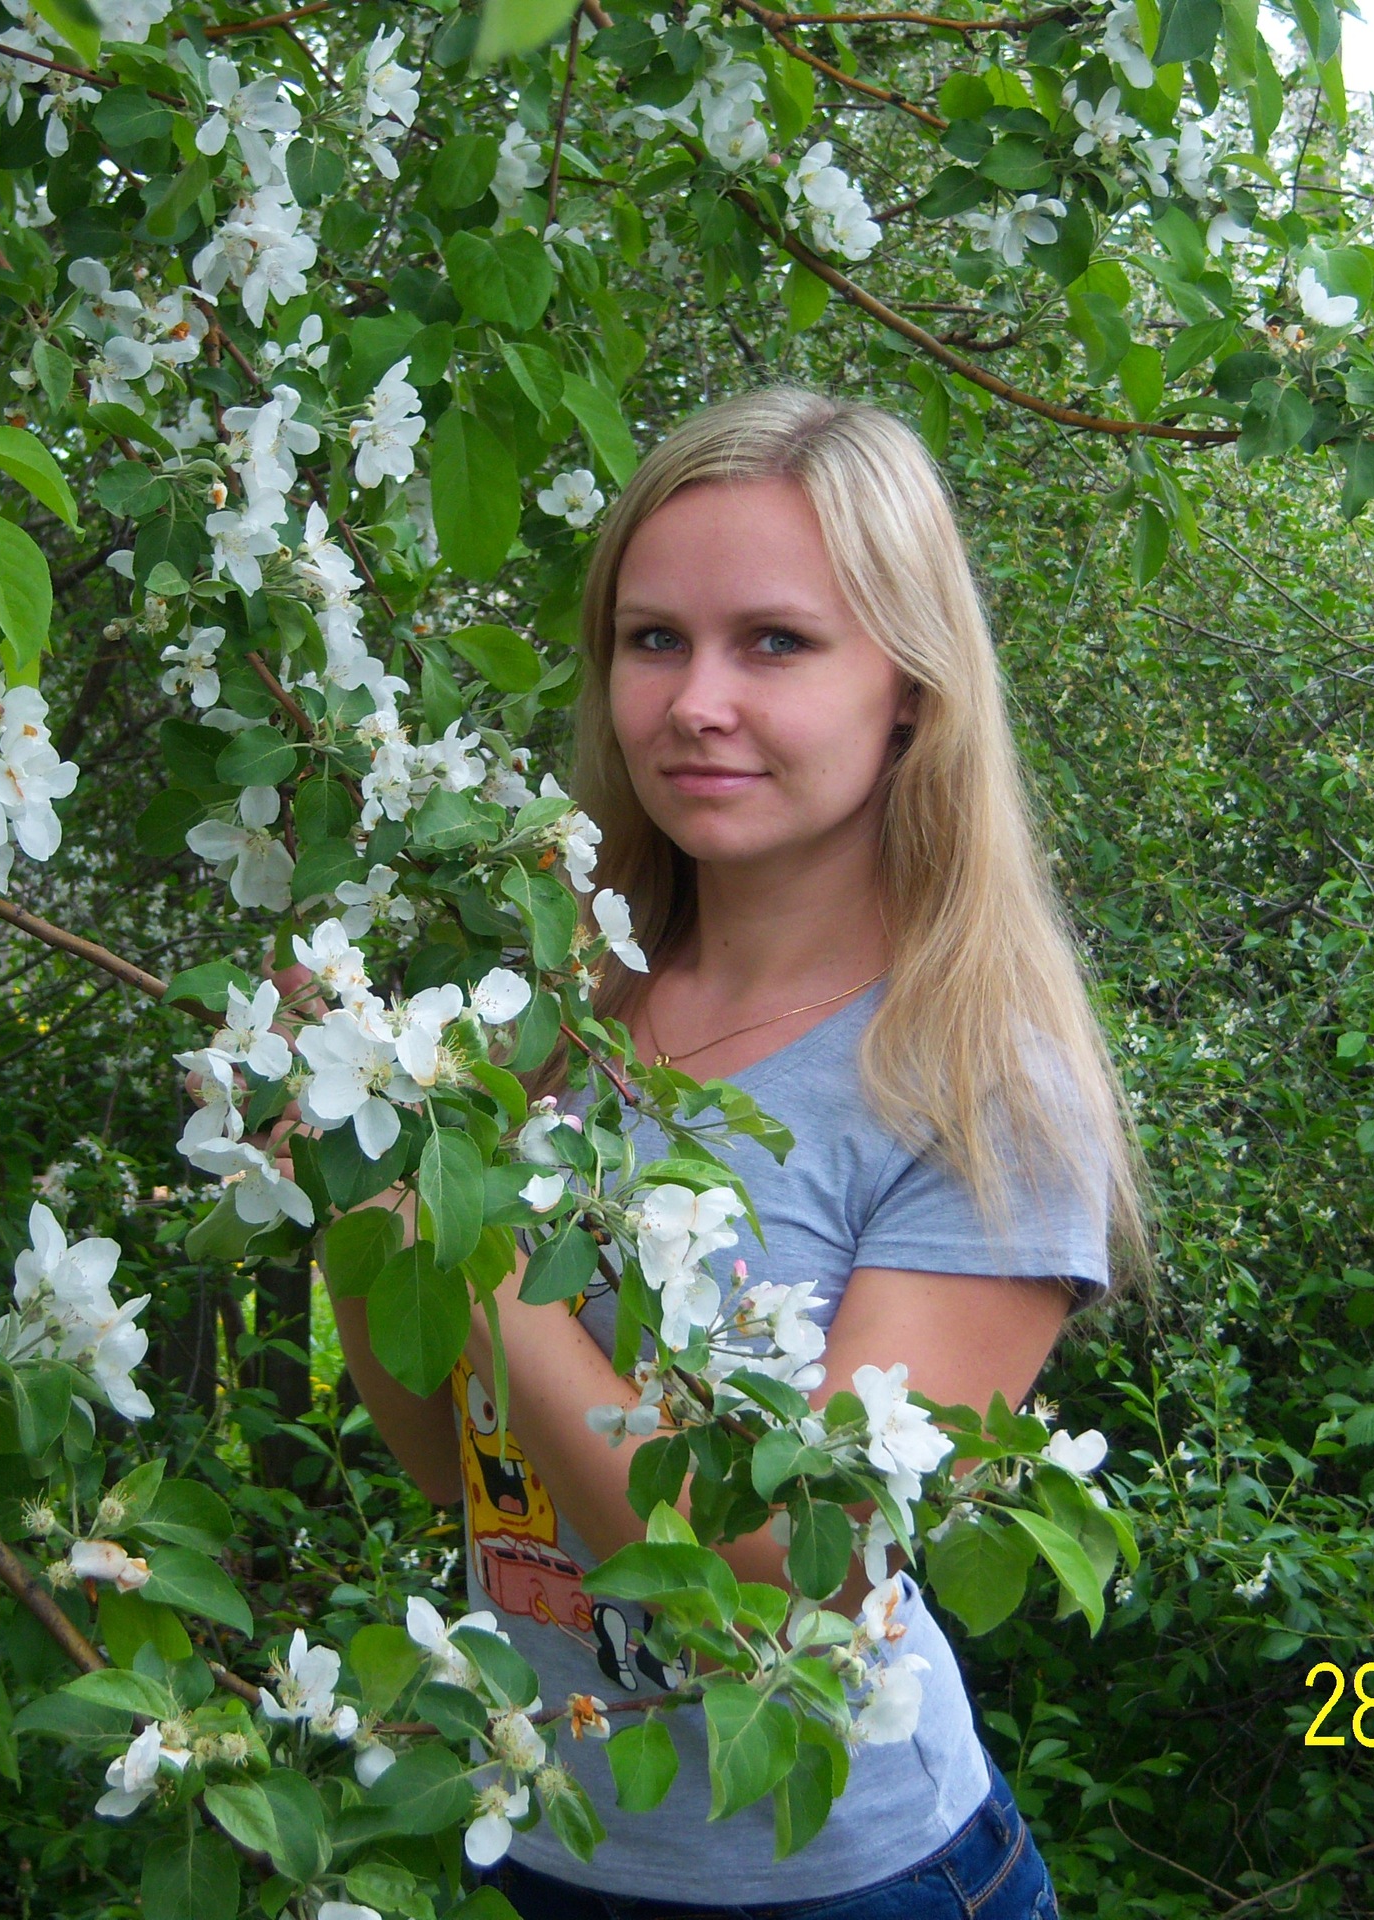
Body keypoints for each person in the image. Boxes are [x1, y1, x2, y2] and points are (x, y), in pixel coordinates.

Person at [324, 387, 1148, 1920]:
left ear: (909, 689)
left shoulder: (980, 1086)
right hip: (545, 1835)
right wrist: (358, 1175)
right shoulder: (561, 1003)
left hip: (849, 1886)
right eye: (654, 639)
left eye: (775, 642)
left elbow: (780, 1576)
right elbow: (465, 1468)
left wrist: (480, 1253)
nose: (695, 700)